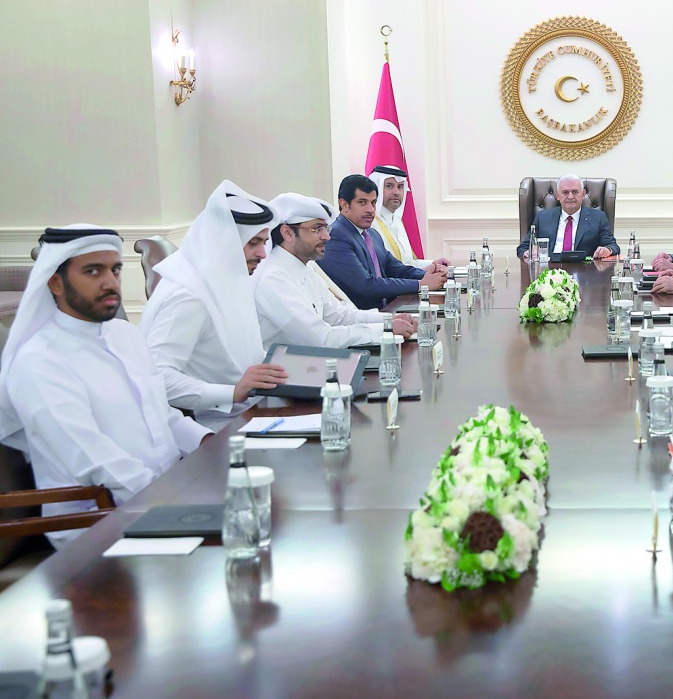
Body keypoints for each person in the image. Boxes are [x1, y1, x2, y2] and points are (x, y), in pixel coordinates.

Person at [0, 226, 209, 546]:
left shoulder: (125, 335)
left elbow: (161, 415)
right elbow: (91, 458)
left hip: (163, 498)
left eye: (115, 270)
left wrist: (212, 445)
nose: (110, 282)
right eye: (93, 271)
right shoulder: (39, 360)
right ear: (55, 282)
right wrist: (172, 498)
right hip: (98, 523)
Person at [141, 182, 289, 429]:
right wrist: (232, 392)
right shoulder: (188, 295)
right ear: (224, 241)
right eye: (253, 242)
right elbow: (157, 376)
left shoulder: (229, 277)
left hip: (252, 410)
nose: (263, 254)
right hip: (214, 427)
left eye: (264, 242)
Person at [253, 193, 418, 349]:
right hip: (291, 367)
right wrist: (385, 329)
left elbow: (340, 316)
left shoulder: (305, 269)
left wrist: (390, 319)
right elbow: (322, 338)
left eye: (326, 229)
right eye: (317, 229)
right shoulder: (272, 278)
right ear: (287, 233)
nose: (327, 237)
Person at [318, 175, 448, 310]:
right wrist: (420, 285)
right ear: (344, 205)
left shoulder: (372, 234)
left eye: (373, 203)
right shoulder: (335, 237)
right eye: (362, 202)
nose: (370, 210)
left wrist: (431, 275)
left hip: (390, 311)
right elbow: (366, 286)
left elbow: (396, 269)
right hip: (362, 317)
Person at [516, 174, 620, 260]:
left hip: (585, 273)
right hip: (549, 272)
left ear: (583, 194)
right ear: (558, 195)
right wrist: (528, 252)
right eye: (565, 192)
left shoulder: (598, 218)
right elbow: (523, 248)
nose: (570, 197)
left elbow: (613, 246)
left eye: (575, 192)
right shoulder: (543, 217)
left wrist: (607, 250)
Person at [369, 165, 450, 271]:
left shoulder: (397, 221)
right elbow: (388, 270)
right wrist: (427, 270)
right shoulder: (371, 223)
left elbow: (409, 263)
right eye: (389, 186)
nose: (396, 192)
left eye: (400, 187)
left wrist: (434, 264)